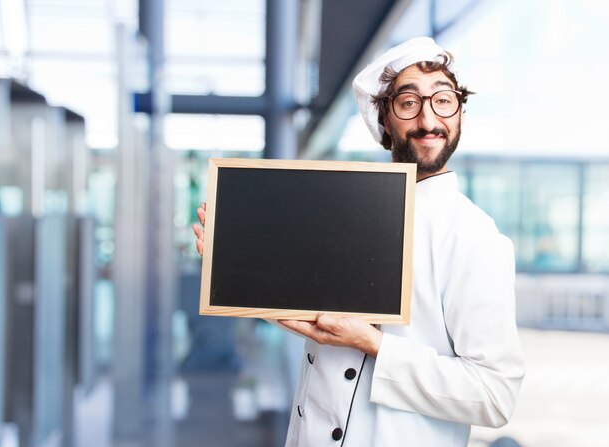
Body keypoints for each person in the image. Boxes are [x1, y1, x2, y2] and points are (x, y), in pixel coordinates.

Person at [193, 36, 525, 447]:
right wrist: (233, 268)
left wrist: (373, 345)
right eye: (408, 103)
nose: (428, 120)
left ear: (459, 112)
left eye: (443, 100)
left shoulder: (474, 236)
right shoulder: (349, 210)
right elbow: (321, 322)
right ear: (385, 119)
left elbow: (494, 395)